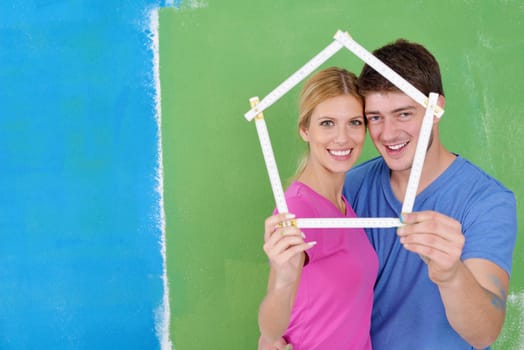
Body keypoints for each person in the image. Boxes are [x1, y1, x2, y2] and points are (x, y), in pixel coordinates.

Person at [260, 39, 517, 350]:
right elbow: (303, 290)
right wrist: (272, 338)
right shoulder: (348, 189)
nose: (389, 133)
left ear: (436, 110)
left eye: (404, 114)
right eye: (375, 117)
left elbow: (485, 332)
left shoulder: (487, 201)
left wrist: (451, 275)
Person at [258, 67, 377, 349]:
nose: (342, 138)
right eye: (327, 123)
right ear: (304, 129)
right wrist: (284, 281)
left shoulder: (343, 205)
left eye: (354, 122)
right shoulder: (298, 210)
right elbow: (271, 331)